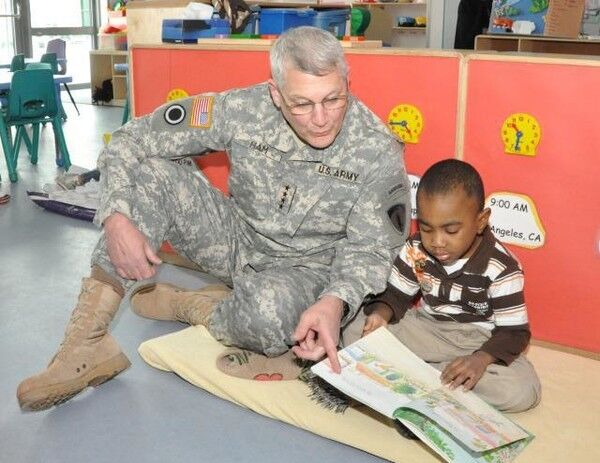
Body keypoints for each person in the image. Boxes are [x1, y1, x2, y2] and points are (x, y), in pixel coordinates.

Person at [17, 26, 410, 411]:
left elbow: (371, 249)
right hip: (237, 240)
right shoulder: (242, 109)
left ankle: (197, 308)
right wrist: (117, 215)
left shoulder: (376, 148)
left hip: (309, 274)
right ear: (275, 93)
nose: (321, 118)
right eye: (302, 104)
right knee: (154, 173)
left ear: (347, 81)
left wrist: (335, 301)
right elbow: (132, 138)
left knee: (268, 314)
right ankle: (86, 345)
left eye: (334, 99)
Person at [343, 159, 541, 413]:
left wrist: (480, 360)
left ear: (480, 221)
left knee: (522, 390)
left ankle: (423, 374)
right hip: (427, 329)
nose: (437, 242)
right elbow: (396, 294)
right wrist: (382, 313)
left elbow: (515, 334)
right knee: (353, 327)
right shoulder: (417, 250)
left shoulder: (501, 268)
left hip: (478, 341)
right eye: (426, 229)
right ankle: (437, 377)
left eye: (451, 230)